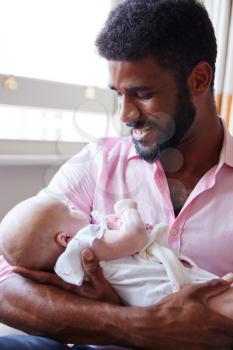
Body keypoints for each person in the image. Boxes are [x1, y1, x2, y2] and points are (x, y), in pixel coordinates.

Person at [1, 0, 233, 349]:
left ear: (199, 80)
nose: (125, 114)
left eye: (142, 93)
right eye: (118, 95)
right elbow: (5, 282)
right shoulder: (97, 162)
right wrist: (132, 325)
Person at [2, 194, 233, 312]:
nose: (76, 207)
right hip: (164, 292)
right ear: (65, 239)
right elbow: (134, 237)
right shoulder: (84, 244)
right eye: (70, 209)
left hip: (154, 300)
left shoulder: (69, 267)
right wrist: (128, 210)